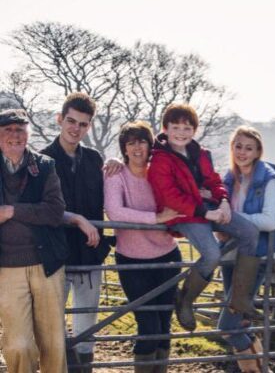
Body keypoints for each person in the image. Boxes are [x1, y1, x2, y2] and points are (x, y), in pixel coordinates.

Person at [147, 103, 259, 332]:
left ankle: (238, 298)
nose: (181, 132)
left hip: (209, 207)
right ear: (165, 129)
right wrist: (205, 211)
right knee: (211, 254)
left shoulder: (201, 153)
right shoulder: (160, 159)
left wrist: (224, 202)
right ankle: (185, 300)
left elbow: (214, 182)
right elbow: (170, 195)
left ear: (194, 130)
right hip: (183, 214)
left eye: (187, 128)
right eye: (175, 127)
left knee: (250, 232)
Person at [41, 92, 113, 371]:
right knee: (52, 324)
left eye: (83, 124)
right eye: (71, 121)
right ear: (59, 119)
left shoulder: (96, 160)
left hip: (89, 253)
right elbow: (41, 208)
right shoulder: (41, 160)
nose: (75, 128)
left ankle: (84, 366)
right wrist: (76, 219)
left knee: (87, 328)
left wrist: (117, 165)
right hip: (54, 256)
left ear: (89, 127)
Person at [104, 121, 182, 373]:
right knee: (148, 325)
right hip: (132, 261)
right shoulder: (116, 175)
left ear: (150, 145)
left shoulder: (160, 172)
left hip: (167, 256)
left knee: (163, 325)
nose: (137, 147)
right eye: (131, 142)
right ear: (124, 149)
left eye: (142, 141)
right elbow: (115, 211)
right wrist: (156, 219)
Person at [217, 125, 275, 372]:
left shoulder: (268, 179)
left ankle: (261, 369)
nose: (242, 152)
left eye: (249, 148)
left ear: (258, 151)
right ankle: (256, 368)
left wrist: (231, 220)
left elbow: (270, 220)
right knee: (238, 323)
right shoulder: (227, 178)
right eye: (238, 146)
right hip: (230, 253)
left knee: (228, 326)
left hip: (255, 255)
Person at [0, 109, 68, 372]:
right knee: (18, 344)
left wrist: (11, 211)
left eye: (20, 130)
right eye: (8, 130)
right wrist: (33, 211)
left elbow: (54, 211)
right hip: (6, 266)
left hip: (46, 262)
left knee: (53, 342)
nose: (15, 135)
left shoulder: (45, 165)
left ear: (28, 134)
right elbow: (43, 211)